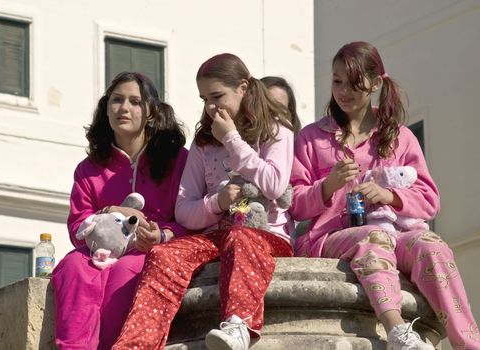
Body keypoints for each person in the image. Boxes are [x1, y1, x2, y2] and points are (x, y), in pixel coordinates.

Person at [289, 41, 479, 350]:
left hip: (397, 235)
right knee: (373, 237)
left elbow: (429, 199)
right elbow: (294, 203)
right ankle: (397, 332)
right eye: (337, 81)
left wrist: (388, 195)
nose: (343, 91)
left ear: (376, 84)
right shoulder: (311, 137)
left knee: (433, 246)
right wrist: (328, 185)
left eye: (354, 84)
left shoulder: (399, 136)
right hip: (328, 239)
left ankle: (469, 343)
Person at [112, 53, 295, 350]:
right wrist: (217, 203)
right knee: (164, 255)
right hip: (214, 235)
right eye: (204, 99)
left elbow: (274, 185)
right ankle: (136, 344)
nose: (211, 107)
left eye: (217, 96)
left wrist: (233, 139)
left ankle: (239, 326)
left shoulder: (277, 131)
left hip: (265, 235)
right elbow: (184, 211)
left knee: (241, 236)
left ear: (243, 88)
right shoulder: (204, 142)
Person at [51, 72, 189, 349]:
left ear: (150, 112)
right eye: (116, 100)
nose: (124, 108)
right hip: (97, 252)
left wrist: (160, 235)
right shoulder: (88, 168)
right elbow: (77, 228)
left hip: (150, 252)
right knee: (73, 266)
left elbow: (192, 219)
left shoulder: (178, 160)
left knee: (127, 271)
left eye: (135, 102)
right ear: (106, 108)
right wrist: (105, 213)